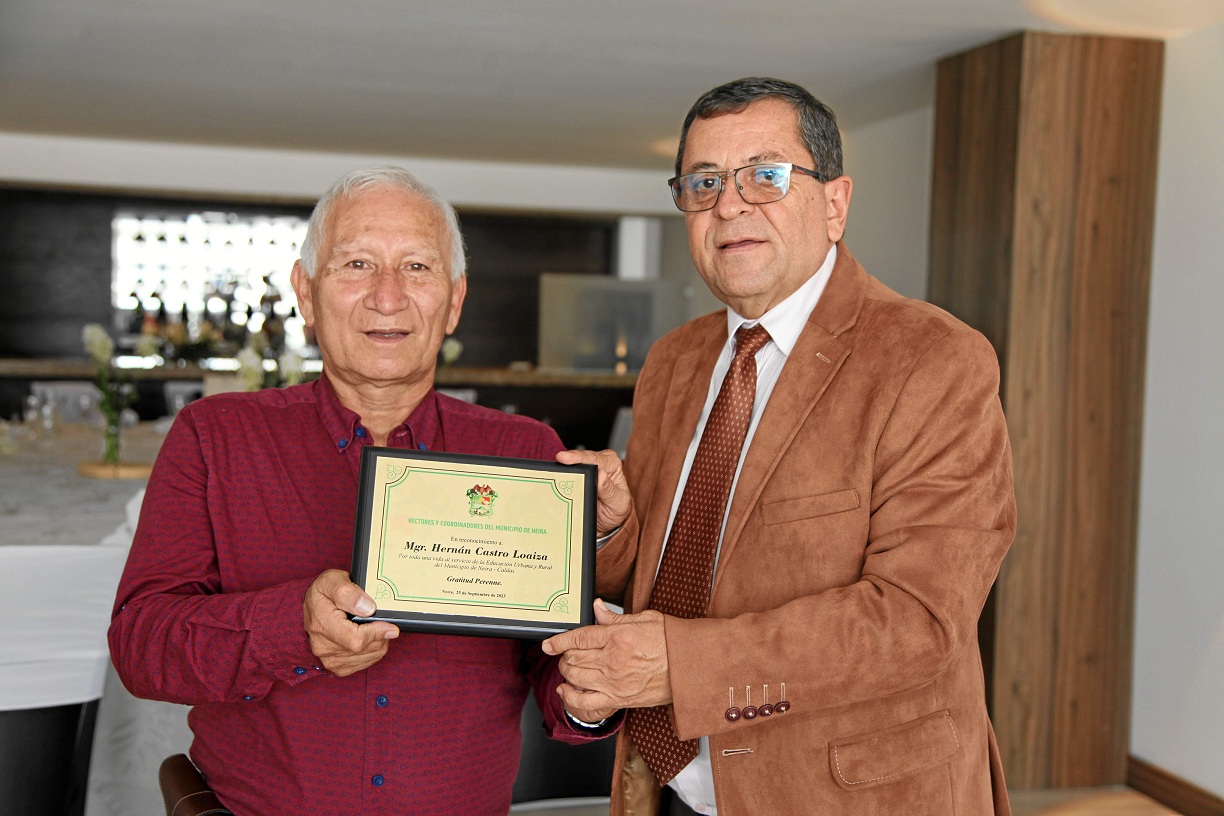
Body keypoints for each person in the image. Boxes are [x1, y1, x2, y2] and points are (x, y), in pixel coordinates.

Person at [546, 77, 1017, 815]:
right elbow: (669, 567)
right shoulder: (672, 360)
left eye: (764, 175)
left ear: (834, 204)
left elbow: (918, 619)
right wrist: (610, 525)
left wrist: (681, 666)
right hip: (663, 786)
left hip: (847, 797)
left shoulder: (935, 359)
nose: (729, 204)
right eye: (703, 183)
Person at [108, 166, 614, 816]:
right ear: (306, 292)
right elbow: (142, 646)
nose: (387, 296)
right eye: (356, 264)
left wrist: (586, 694)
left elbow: (552, 667)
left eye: (417, 267)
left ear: (454, 300)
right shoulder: (216, 436)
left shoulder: (526, 452)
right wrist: (290, 627)